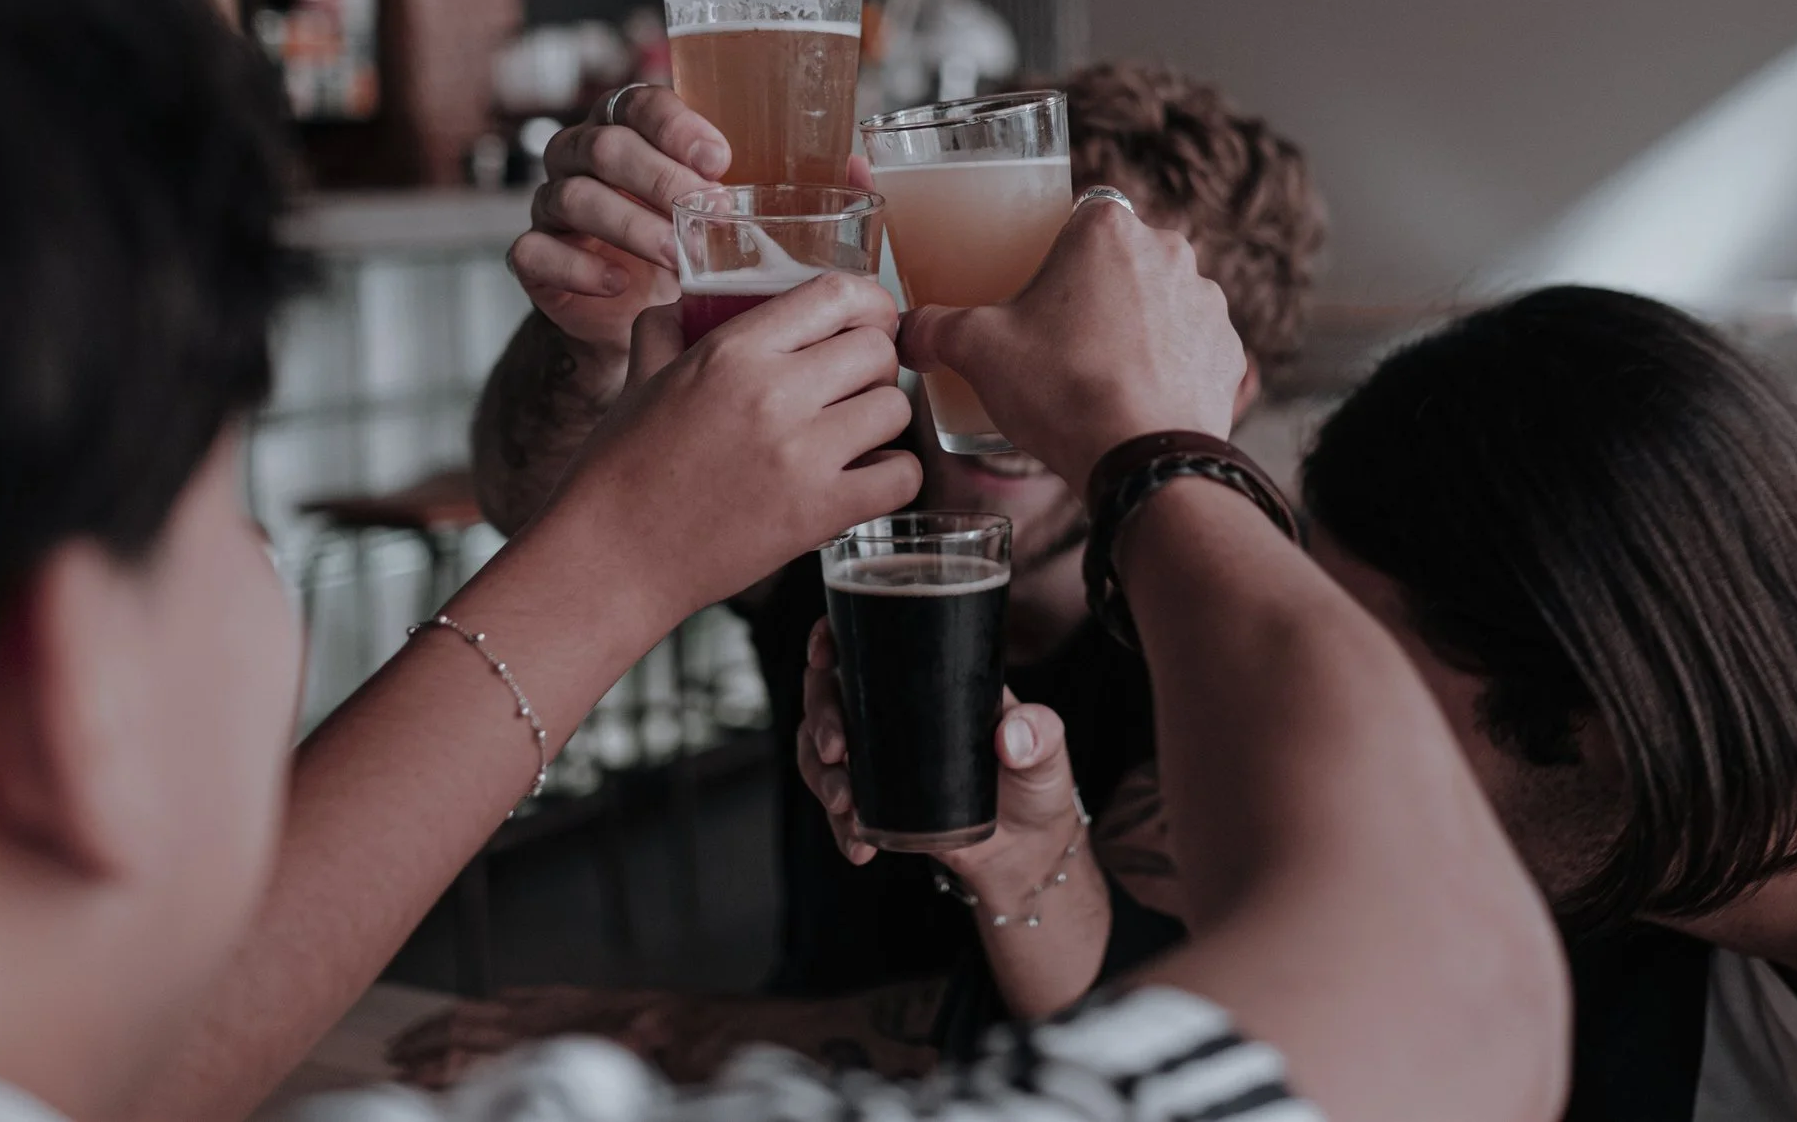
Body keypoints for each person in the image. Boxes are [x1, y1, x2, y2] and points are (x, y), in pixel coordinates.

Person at [0, 0, 1569, 1122]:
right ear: (65, 690)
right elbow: (1450, 1004)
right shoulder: (872, 509)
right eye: (233, 521)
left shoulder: (1275, 648)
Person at [909, 285, 1797, 1120]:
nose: (1343, 738)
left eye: (1375, 678)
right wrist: (1028, 854)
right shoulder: (1621, 887)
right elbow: (1264, 1078)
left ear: (1589, 707)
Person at [454, 62, 1321, 1068]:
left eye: (1071, 328)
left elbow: (1154, 1012)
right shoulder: (860, 487)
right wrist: (600, 351)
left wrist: (696, 1029)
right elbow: (527, 498)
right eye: (983, 295)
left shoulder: (1249, 626)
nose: (1004, 370)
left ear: (1220, 379)